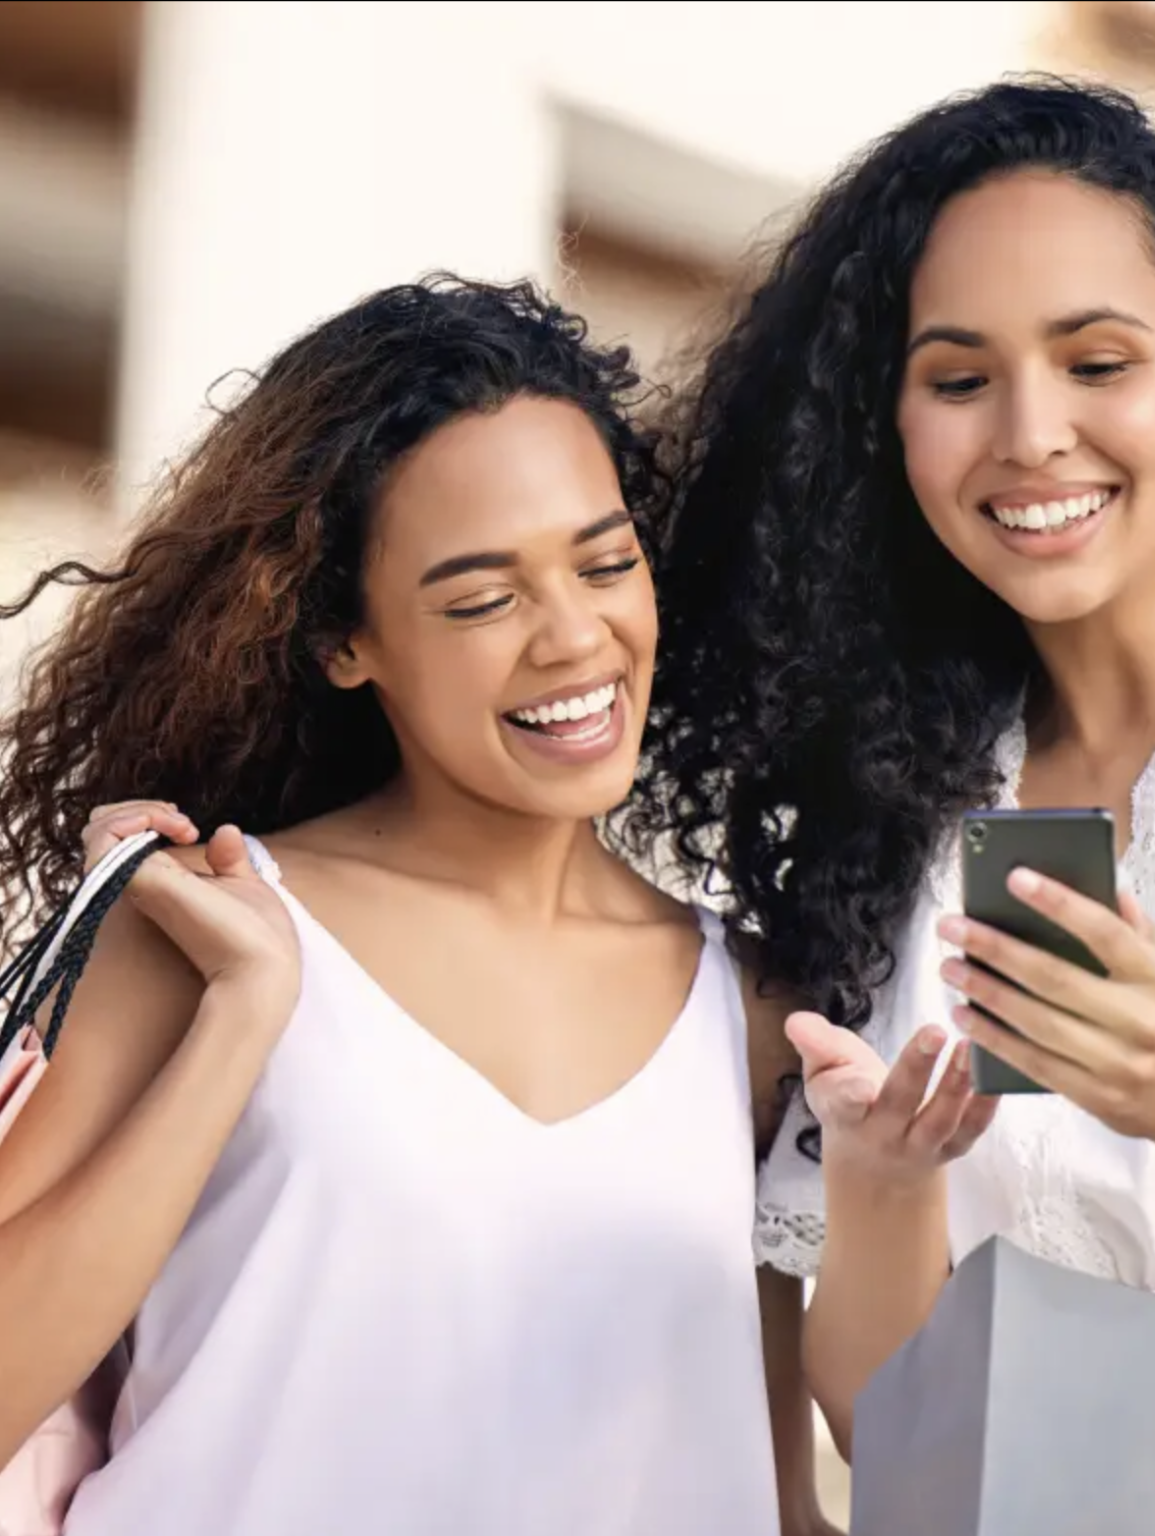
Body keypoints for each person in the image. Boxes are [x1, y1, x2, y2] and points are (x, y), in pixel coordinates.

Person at [0, 275, 845, 1534]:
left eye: (605, 562)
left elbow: (766, 1494)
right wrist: (243, 1020)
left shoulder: (760, 1009)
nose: (574, 639)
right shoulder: (204, 925)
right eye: (482, 599)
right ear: (346, 640)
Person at [628, 75, 1155, 1454]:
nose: (1026, 436)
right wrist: (888, 1185)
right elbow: (877, 1420)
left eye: (1095, 363)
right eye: (957, 380)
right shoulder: (895, 797)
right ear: (887, 429)